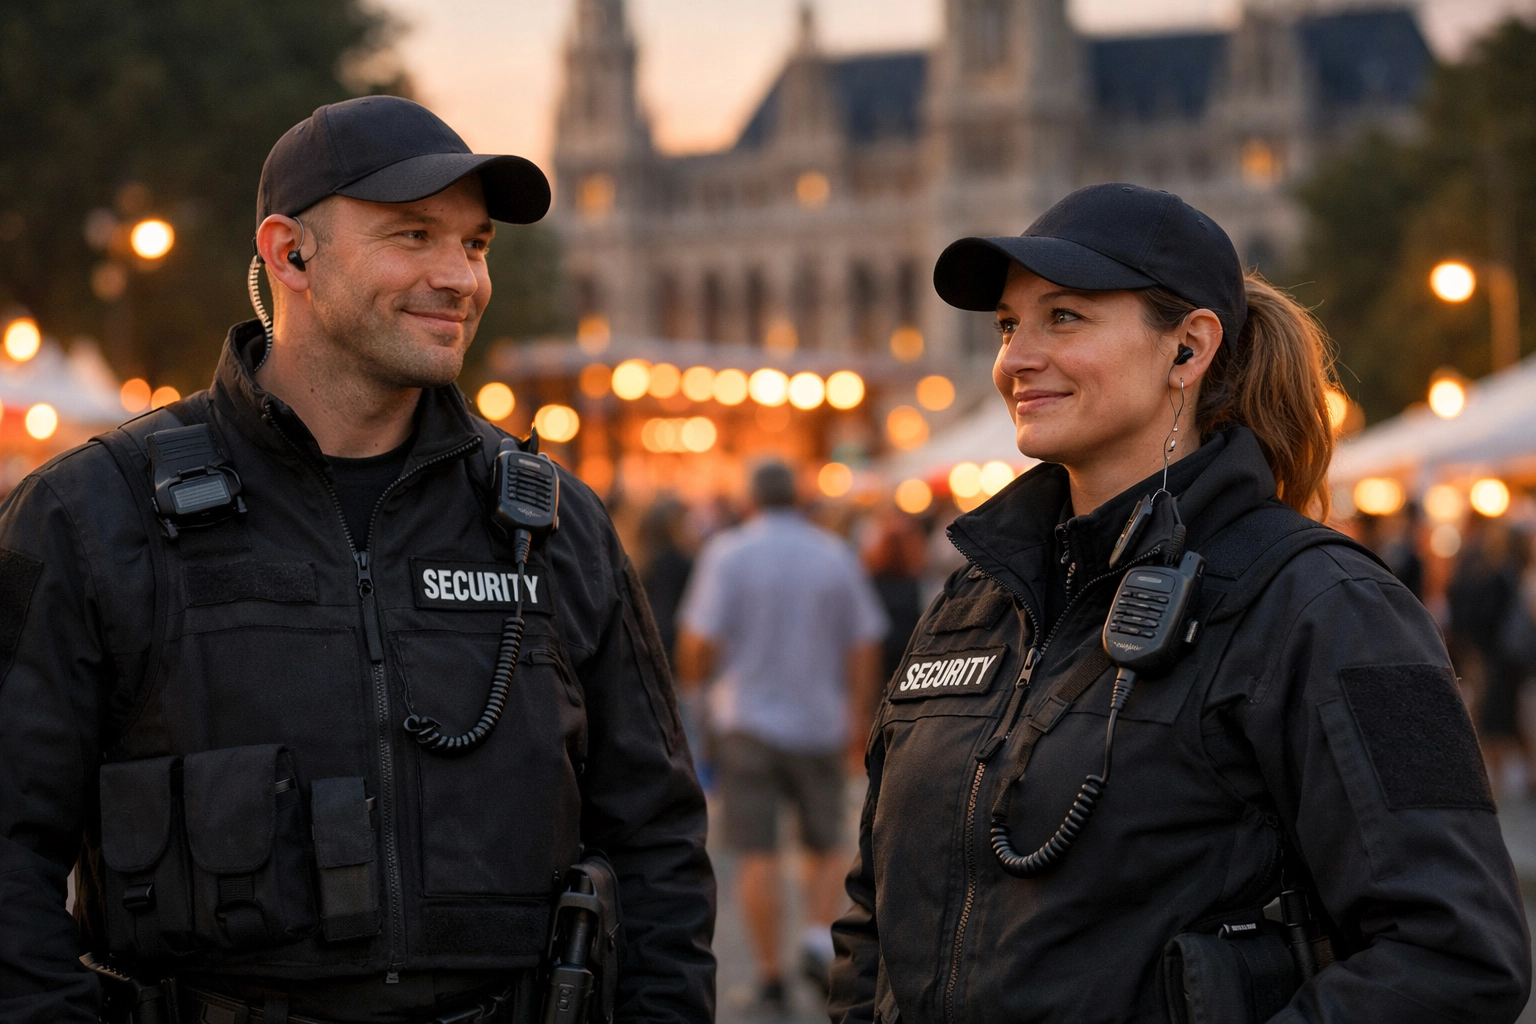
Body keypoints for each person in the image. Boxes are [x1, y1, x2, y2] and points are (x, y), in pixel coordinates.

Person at [0, 96, 713, 1023]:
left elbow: (657, 847)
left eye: (476, 244)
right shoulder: (92, 516)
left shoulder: (555, 526)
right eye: (414, 236)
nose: (459, 277)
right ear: (290, 253)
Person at [829, 183, 1530, 1023]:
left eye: (1065, 318)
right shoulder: (971, 601)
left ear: (1189, 350)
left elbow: (1453, 952)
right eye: (1010, 326)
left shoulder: (1330, 606)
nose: (1014, 360)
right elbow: (874, 924)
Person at [676, 460, 886, 1016]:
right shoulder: (833, 553)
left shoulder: (728, 554)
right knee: (828, 841)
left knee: (757, 851)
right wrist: (858, 715)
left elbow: (696, 643)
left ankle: (770, 976)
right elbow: (865, 644)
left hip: (746, 721)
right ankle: (818, 937)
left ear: (751, 499)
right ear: (798, 497)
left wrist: (699, 692)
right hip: (820, 719)